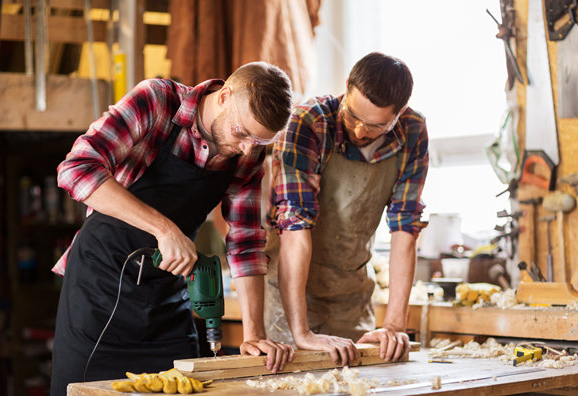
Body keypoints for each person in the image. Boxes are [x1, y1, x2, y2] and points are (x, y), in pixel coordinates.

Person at [50, 61, 295, 394]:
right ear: (224, 97)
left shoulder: (247, 154)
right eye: (242, 133)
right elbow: (76, 169)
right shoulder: (157, 102)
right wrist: (164, 230)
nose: (248, 149)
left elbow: (246, 243)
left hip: (167, 295)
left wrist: (254, 334)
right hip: (99, 291)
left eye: (260, 143)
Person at [266, 52, 429, 366]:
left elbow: (405, 229)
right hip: (291, 298)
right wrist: (301, 333)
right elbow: (294, 228)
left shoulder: (413, 132)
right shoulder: (308, 122)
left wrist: (395, 326)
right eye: (353, 116)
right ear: (347, 88)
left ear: (400, 113)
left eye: (376, 125)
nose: (358, 131)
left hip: (350, 295)